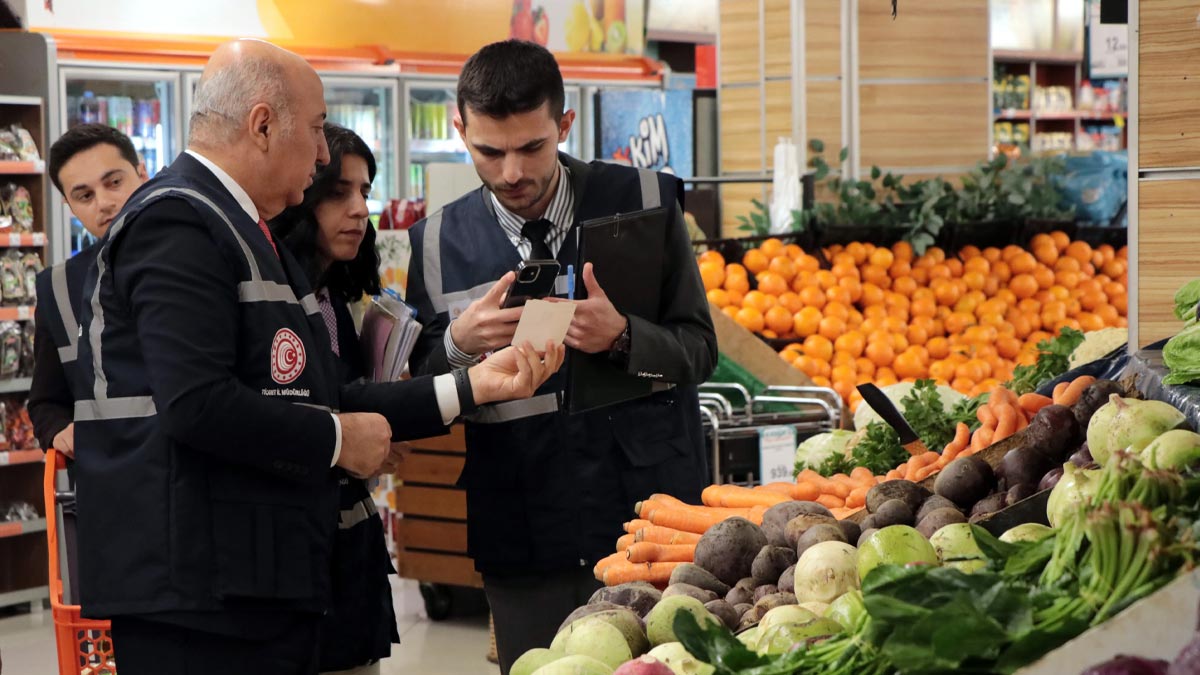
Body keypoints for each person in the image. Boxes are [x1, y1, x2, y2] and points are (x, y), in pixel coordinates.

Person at [72, 39, 563, 675]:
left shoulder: (246, 230)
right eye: (314, 128)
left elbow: (323, 392)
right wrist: (336, 441)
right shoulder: (180, 224)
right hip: (197, 591)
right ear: (263, 125)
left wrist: (473, 387)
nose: (325, 152)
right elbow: (196, 403)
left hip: (250, 578)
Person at [404, 39, 718, 673]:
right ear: (460, 129)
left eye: (532, 147)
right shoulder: (435, 243)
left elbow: (701, 348)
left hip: (650, 524)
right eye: (488, 152)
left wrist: (625, 336)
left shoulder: (649, 202)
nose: (511, 172)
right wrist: (457, 346)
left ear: (564, 125)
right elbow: (420, 392)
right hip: (522, 528)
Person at [270, 123, 394, 675]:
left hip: (350, 539)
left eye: (366, 192)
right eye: (340, 193)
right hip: (296, 546)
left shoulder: (335, 299)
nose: (359, 209)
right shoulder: (279, 299)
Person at [28, 124, 148, 456]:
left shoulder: (197, 257)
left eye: (114, 182)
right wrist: (58, 431)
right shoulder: (58, 286)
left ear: (143, 174)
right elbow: (46, 401)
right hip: (111, 486)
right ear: (70, 206)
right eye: (84, 195)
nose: (105, 203)